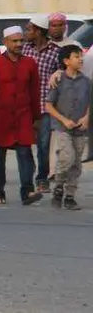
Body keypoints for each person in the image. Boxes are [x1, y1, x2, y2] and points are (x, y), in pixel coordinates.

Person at [0, 26, 43, 206]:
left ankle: (27, 192)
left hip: (23, 116)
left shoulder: (30, 63)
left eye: (21, 40)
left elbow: (35, 92)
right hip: (2, 117)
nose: (19, 44)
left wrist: (36, 118)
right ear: (5, 42)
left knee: (25, 153)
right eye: (14, 41)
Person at [46, 44, 90, 210]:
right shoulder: (58, 80)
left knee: (76, 164)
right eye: (76, 56)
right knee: (67, 157)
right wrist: (63, 120)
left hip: (80, 128)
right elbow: (49, 105)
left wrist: (86, 118)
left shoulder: (86, 81)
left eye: (81, 56)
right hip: (62, 127)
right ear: (66, 61)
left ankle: (70, 195)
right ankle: (58, 186)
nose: (80, 59)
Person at [21, 14, 58, 193]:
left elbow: (61, 76)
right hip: (24, 106)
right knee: (24, 143)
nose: (26, 32)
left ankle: (42, 179)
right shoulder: (23, 50)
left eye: (29, 29)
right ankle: (28, 176)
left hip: (45, 106)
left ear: (39, 31)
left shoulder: (55, 52)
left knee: (44, 145)